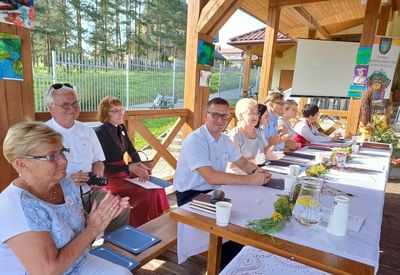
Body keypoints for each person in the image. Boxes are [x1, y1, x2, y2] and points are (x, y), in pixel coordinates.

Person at [0, 121, 131, 275]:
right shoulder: (15, 207)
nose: (63, 161)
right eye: (50, 157)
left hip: (76, 262)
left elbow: (79, 226)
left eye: (62, 152)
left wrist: (102, 216)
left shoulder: (65, 184)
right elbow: (47, 271)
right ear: (22, 164)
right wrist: (93, 229)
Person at [45, 83, 130, 233]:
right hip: (61, 197)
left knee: (119, 209)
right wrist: (67, 181)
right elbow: (37, 175)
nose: (72, 108)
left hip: (89, 191)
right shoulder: (43, 134)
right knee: (77, 228)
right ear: (50, 107)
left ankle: (112, 251)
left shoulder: (86, 130)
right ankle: (84, 250)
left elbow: (98, 160)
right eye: (65, 105)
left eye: (75, 103)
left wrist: (97, 174)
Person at [173, 97, 271, 207]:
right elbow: (211, 177)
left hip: (216, 190)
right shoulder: (195, 140)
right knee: (239, 211)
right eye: (215, 115)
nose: (220, 120)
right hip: (191, 195)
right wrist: (251, 180)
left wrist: (258, 172)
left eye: (224, 116)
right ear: (205, 116)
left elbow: (243, 163)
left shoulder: (224, 140)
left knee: (253, 203)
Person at [95, 96, 170, 227]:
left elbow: (132, 150)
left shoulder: (121, 128)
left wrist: (140, 166)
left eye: (121, 110)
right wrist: (129, 168)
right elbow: (103, 167)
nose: (120, 114)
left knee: (158, 189)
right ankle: (142, 227)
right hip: (110, 177)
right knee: (148, 193)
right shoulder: (100, 133)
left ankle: (158, 224)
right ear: (106, 113)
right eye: (114, 111)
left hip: (125, 173)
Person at [227, 98, 269, 170]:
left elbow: (264, 155)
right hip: (239, 177)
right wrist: (254, 161)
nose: (255, 116)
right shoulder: (234, 136)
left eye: (257, 113)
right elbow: (231, 164)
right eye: (251, 113)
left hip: (257, 173)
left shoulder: (259, 132)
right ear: (240, 116)